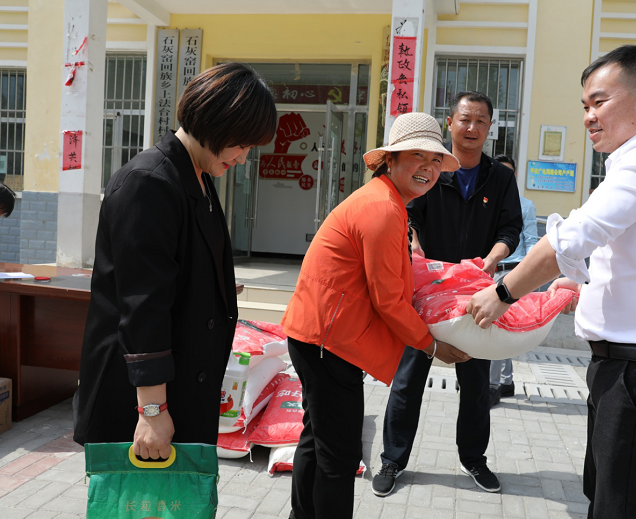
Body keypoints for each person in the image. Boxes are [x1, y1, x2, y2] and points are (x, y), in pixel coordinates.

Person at [466, 45, 636, 518]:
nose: (589, 117)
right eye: (585, 106)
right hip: (627, 364)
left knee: (621, 506)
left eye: (600, 102)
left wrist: (502, 293)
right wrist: (583, 288)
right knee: (605, 496)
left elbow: (572, 238)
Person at [72, 63, 277, 460]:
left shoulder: (197, 178)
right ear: (217, 123)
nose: (243, 158)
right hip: (142, 403)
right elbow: (143, 306)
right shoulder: (149, 182)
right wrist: (152, 411)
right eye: (241, 144)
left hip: (181, 387)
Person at [280, 112, 471, 519]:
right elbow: (389, 301)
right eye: (417, 156)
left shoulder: (386, 202)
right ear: (391, 159)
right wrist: (433, 345)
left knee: (318, 441)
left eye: (436, 160)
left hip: (320, 336)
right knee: (339, 456)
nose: (428, 167)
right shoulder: (383, 208)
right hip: (329, 343)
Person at [373, 91, 523, 497]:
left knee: (476, 384)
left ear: (490, 128)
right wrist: (415, 246)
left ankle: (474, 459)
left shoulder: (500, 177)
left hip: (476, 295)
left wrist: (490, 261)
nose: (472, 128)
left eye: (480, 121)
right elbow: (409, 215)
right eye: (465, 119)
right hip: (426, 292)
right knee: (408, 378)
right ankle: (392, 460)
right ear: (450, 123)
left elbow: (511, 229)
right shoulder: (432, 170)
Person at [488, 154, 538, 407]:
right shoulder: (488, 202)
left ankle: (492, 386)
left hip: (513, 273)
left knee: (497, 330)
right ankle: (506, 381)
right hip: (490, 271)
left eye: (507, 172)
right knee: (501, 329)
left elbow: (532, 242)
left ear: (514, 176)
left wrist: (530, 279)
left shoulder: (525, 205)